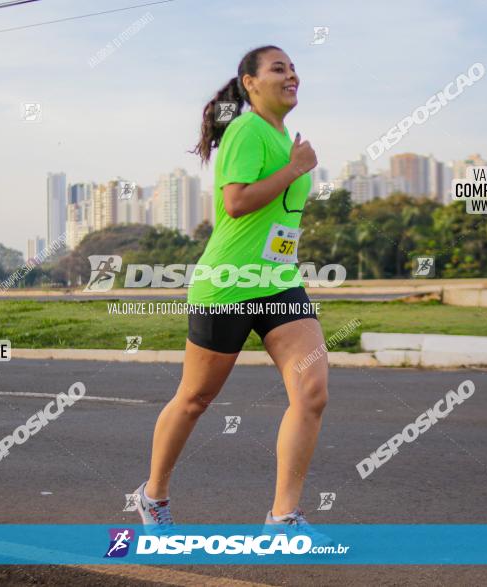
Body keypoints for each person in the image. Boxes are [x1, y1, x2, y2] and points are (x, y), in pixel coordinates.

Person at [135, 46, 330, 535]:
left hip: (278, 283)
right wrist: (296, 168)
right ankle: (152, 494)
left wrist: (294, 163)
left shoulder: (287, 139)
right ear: (250, 83)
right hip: (227, 284)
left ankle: (283, 516)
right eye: (279, 69)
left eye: (293, 69)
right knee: (196, 398)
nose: (292, 76)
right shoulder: (247, 129)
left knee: (312, 392)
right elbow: (237, 203)